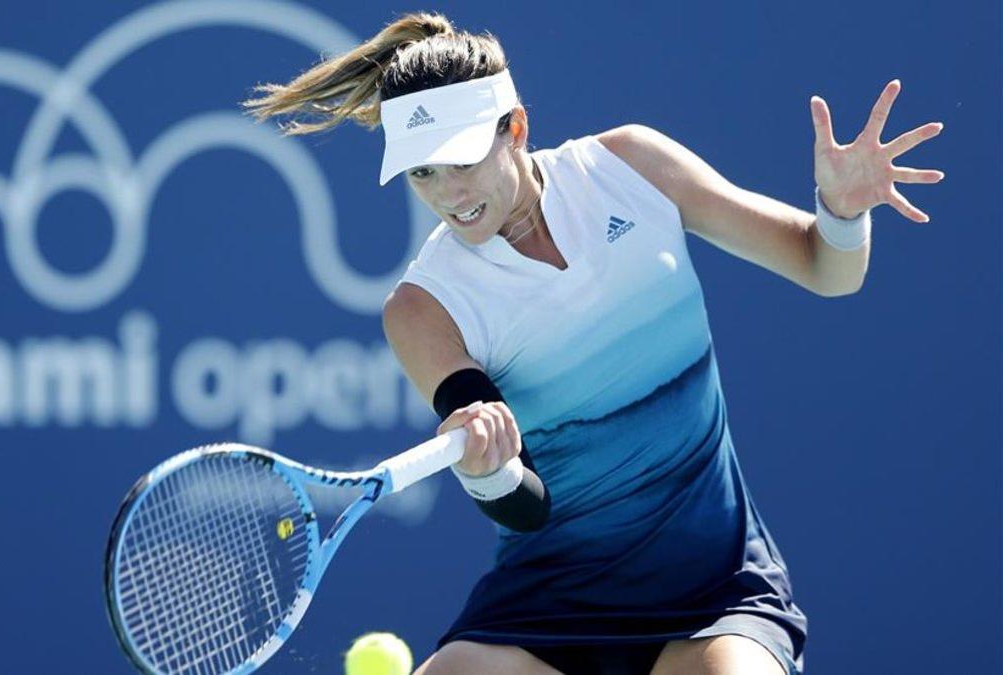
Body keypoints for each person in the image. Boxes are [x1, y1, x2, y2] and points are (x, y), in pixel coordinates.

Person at [243, 11, 943, 675]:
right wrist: (489, 466)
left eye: (459, 160)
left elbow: (826, 268)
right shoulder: (422, 308)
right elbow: (525, 504)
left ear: (514, 127)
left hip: (716, 592)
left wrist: (842, 214)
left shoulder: (631, 168)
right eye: (422, 172)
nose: (448, 193)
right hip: (547, 610)